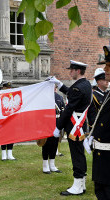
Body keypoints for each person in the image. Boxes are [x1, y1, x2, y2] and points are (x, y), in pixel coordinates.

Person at [48, 60, 92, 196]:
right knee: (80, 154)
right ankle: (81, 183)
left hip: (75, 127)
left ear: (77, 71)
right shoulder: (85, 84)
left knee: (76, 155)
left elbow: (68, 109)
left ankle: (77, 185)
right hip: (80, 126)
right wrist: (59, 84)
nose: (70, 72)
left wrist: (58, 127)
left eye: (71, 70)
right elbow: (71, 93)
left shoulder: (78, 87)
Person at [84, 45, 110, 200]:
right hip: (102, 156)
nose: (105, 69)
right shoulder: (107, 93)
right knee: (101, 191)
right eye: (106, 65)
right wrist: (93, 136)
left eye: (109, 66)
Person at [42, 86, 64, 173]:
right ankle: (45, 165)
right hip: (46, 123)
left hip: (57, 123)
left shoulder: (59, 97)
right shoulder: (43, 97)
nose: (54, 88)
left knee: (54, 144)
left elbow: (62, 110)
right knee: (46, 144)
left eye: (55, 87)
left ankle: (52, 165)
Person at [0, 81, 16, 161]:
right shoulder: (0, 96)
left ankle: (10, 154)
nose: (9, 89)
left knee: (11, 136)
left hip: (11, 118)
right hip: (2, 119)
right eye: (7, 88)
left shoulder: (12, 96)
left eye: (9, 88)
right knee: (3, 136)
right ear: (3, 88)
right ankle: (3, 154)